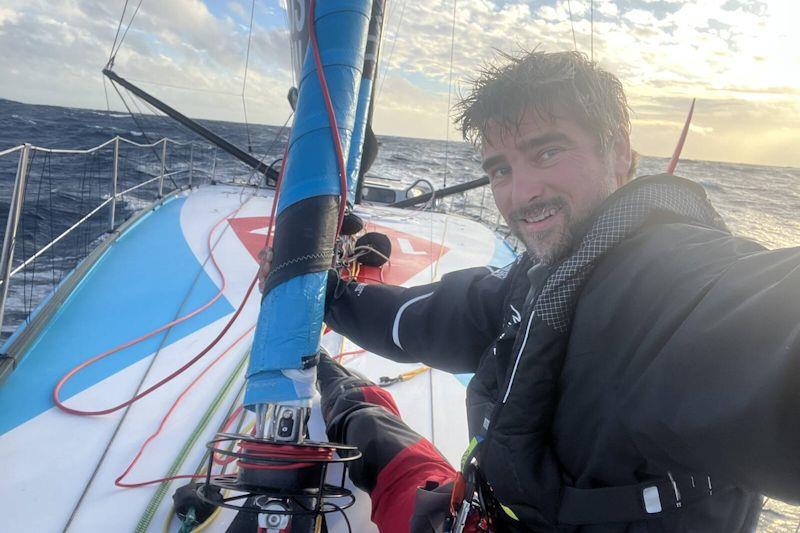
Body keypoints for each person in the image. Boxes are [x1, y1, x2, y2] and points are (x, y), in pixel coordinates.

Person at [259, 50, 800, 532]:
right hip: (475, 510)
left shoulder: (669, 284)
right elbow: (434, 317)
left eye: (547, 153)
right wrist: (328, 294)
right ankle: (342, 387)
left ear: (620, 156)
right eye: (500, 169)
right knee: (365, 424)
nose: (521, 194)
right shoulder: (547, 276)